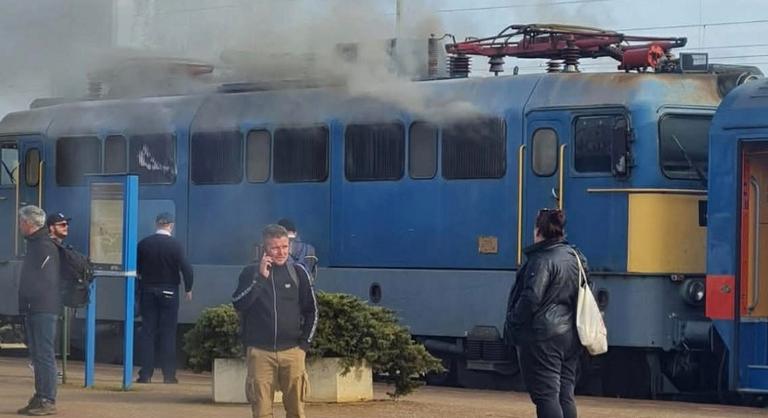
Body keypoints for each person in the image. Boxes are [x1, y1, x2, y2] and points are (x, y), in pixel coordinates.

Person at [505, 209, 585, 418]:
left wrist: (513, 320)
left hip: (543, 337)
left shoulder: (540, 260)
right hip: (571, 335)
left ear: (538, 230)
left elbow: (531, 297)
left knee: (546, 396)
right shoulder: (574, 257)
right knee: (565, 394)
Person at [232, 224, 318, 418]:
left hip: (293, 352)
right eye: (275, 248)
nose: (281, 252)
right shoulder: (250, 272)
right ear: (265, 249)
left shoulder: (299, 272)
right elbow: (239, 304)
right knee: (261, 412)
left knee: (296, 411)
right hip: (260, 353)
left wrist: (304, 345)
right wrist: (260, 278)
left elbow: (312, 311)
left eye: (285, 247)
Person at [136, 212, 193, 384]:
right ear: (171, 225)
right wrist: (188, 288)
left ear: (156, 224)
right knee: (168, 334)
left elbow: (136, 268)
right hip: (169, 292)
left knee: (148, 332)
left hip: (148, 291)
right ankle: (169, 376)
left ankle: (145, 374)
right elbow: (187, 269)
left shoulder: (144, 244)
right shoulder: (176, 246)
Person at [17, 205, 60, 416]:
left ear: (28, 223)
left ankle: (47, 399)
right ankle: (40, 395)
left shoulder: (43, 246)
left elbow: (44, 279)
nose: (19, 226)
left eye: (21, 222)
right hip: (36, 307)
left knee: (44, 355)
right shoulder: (37, 244)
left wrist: (30, 298)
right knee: (38, 355)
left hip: (43, 307)